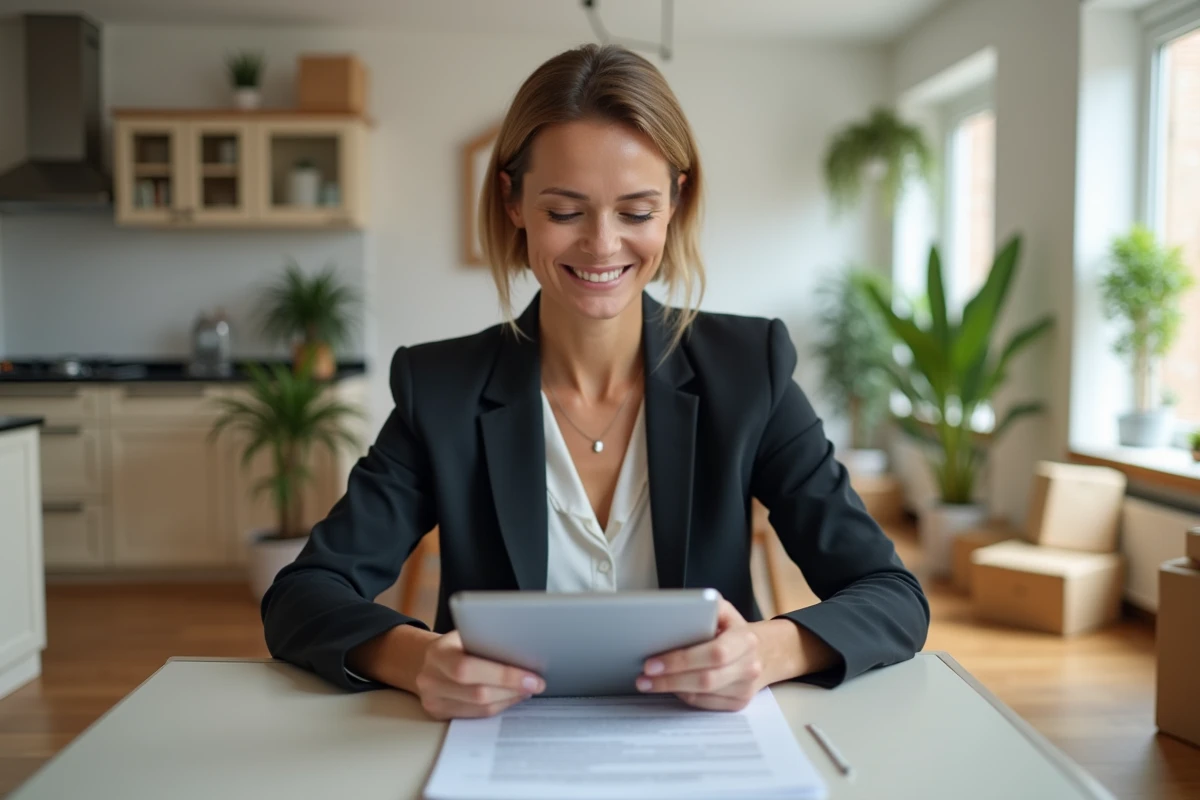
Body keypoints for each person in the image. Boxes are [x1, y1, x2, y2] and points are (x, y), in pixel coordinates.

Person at [262, 43, 929, 721]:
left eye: (636, 213)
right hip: (499, 756)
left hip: (704, 752)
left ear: (677, 200)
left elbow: (890, 594)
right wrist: (419, 659)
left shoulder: (747, 368)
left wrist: (772, 651)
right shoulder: (441, 389)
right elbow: (304, 596)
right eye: (565, 212)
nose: (603, 245)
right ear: (513, 200)